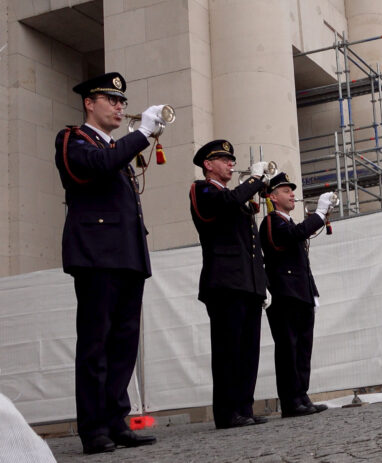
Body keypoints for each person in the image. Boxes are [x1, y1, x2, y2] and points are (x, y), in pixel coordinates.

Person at [54, 72, 163, 454]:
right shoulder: (73, 139)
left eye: (122, 101)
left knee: (123, 344)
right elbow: (97, 166)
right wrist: (142, 134)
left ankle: (117, 420)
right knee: (96, 343)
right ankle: (94, 428)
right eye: (111, 99)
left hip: (127, 255)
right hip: (96, 255)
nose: (119, 106)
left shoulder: (116, 148)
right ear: (89, 102)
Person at [189, 140, 271, 429]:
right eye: (224, 159)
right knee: (228, 349)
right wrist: (254, 180)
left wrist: (260, 283)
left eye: (231, 159)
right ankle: (226, 412)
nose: (230, 163)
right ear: (208, 165)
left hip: (247, 283)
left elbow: (251, 244)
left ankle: (244, 407)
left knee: (248, 350)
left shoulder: (237, 196)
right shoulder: (203, 189)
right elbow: (226, 204)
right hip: (224, 282)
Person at [259, 174, 335, 418]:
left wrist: (311, 291)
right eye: (285, 190)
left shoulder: (287, 221)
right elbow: (294, 236)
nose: (292, 194)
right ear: (272, 196)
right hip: (284, 294)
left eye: (292, 190)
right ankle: (291, 400)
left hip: (300, 292)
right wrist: (319, 214)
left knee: (303, 347)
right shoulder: (272, 222)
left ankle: (301, 395)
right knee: (288, 348)